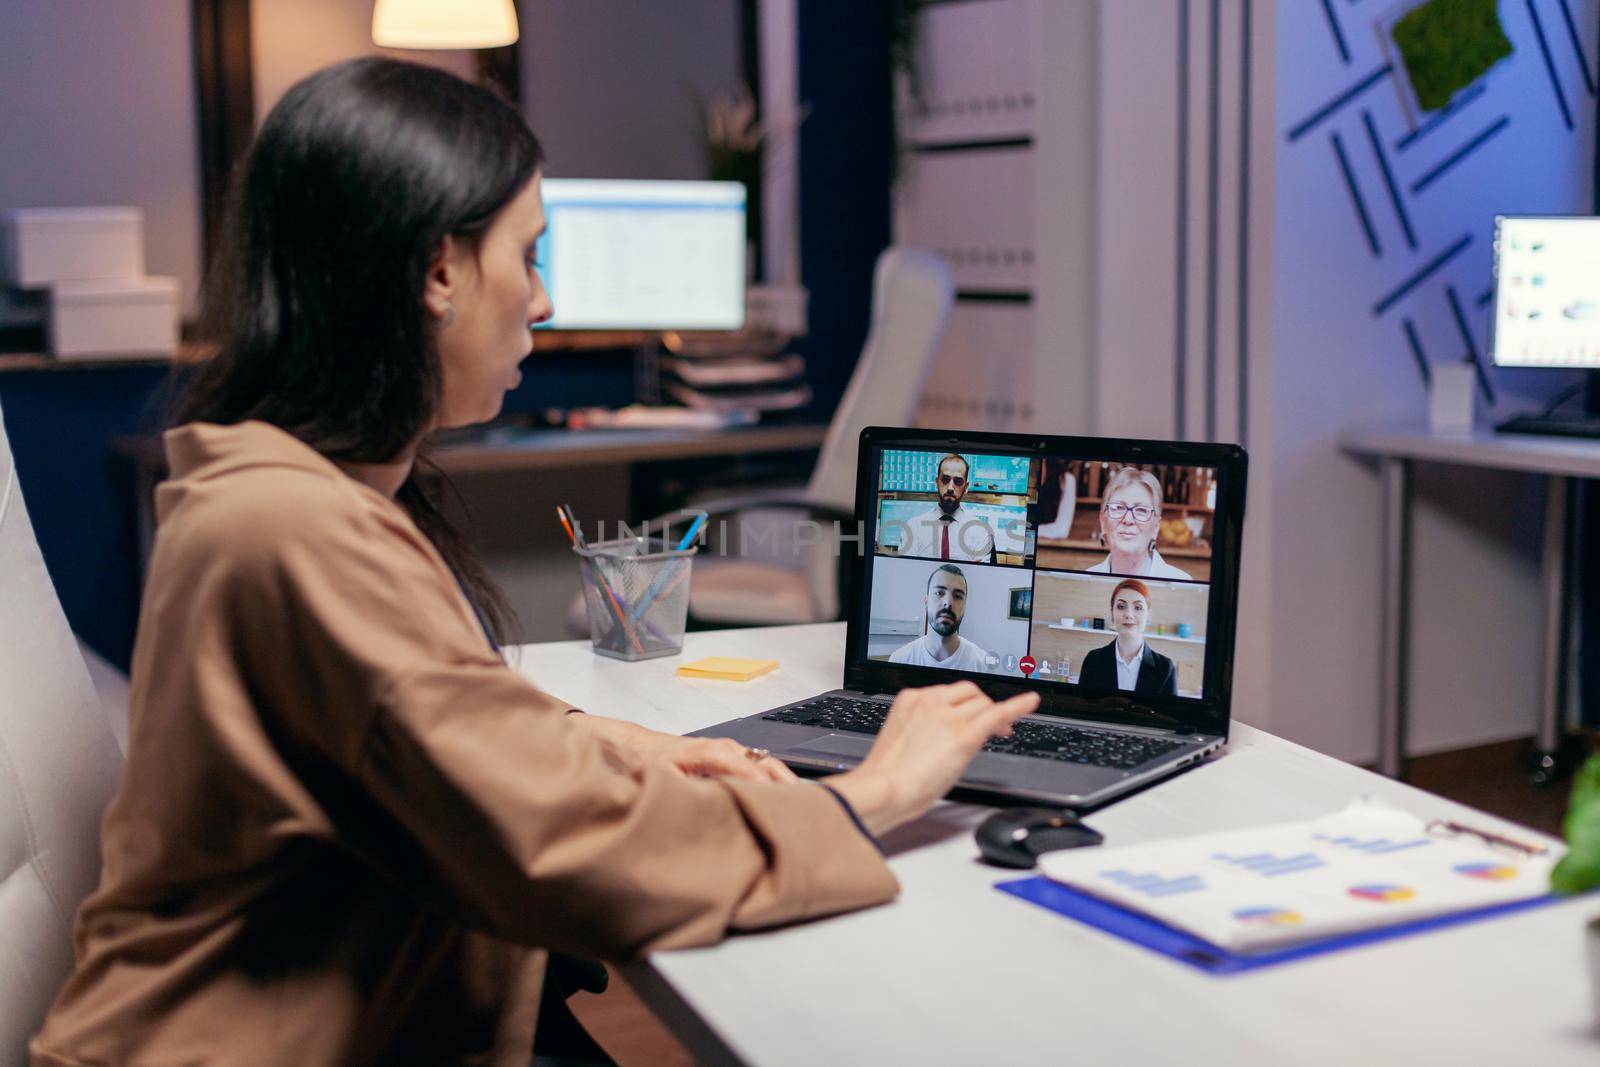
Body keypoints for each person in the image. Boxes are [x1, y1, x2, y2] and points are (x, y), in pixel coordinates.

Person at [29, 59, 1039, 1067]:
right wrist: (874, 792)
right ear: (437, 271)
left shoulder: (282, 490)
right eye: (528, 254)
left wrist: (615, 742)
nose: (545, 299)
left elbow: (411, 716)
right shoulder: (291, 534)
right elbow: (568, 850)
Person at [1076, 578, 1179, 696]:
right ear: (1112, 613)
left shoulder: (1165, 668)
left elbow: (1169, 714)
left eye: (1138, 607)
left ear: (1149, 615)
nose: (1129, 615)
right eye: (1121, 606)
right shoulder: (1093, 660)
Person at [1087, 466, 1192, 579]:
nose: (1128, 520)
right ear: (1103, 522)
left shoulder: (1181, 582)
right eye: (1118, 508)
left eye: (1141, 510)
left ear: (1156, 527)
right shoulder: (1086, 580)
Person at [888, 564, 995, 672]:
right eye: (939, 593)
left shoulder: (983, 665)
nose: (948, 603)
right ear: (926, 601)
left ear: (965, 606)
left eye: (957, 596)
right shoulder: (899, 661)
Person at [894, 453, 996, 562]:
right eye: (945, 479)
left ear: (966, 487)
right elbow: (906, 572)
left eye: (957, 481)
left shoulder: (979, 531)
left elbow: (979, 577)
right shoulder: (913, 527)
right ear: (937, 482)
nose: (950, 487)